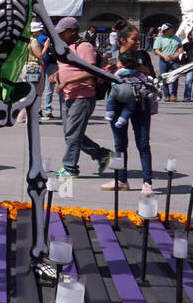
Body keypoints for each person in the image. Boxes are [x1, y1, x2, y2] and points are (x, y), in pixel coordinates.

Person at [54, 17, 113, 180]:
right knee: (70, 133)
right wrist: (57, 74)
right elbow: (69, 67)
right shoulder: (68, 46)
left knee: (73, 133)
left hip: (82, 96)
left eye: (62, 32)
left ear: (72, 31)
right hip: (68, 95)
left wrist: (67, 81)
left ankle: (70, 167)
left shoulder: (85, 46)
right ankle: (101, 154)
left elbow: (92, 70)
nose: (59, 35)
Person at [101, 24, 156, 196]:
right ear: (122, 40)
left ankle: (147, 182)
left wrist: (142, 69)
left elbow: (153, 77)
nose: (138, 42)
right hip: (118, 103)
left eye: (139, 38)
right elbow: (104, 79)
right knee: (119, 144)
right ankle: (121, 179)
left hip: (140, 103)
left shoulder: (143, 55)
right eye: (135, 39)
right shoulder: (112, 56)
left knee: (143, 143)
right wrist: (109, 71)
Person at [150, 23, 181, 102]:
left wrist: (176, 55)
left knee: (175, 77)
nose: (173, 30)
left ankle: (174, 94)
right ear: (166, 30)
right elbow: (156, 49)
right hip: (164, 60)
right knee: (164, 78)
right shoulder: (160, 38)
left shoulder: (176, 38)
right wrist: (164, 56)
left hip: (175, 60)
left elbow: (181, 48)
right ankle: (167, 95)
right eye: (171, 29)